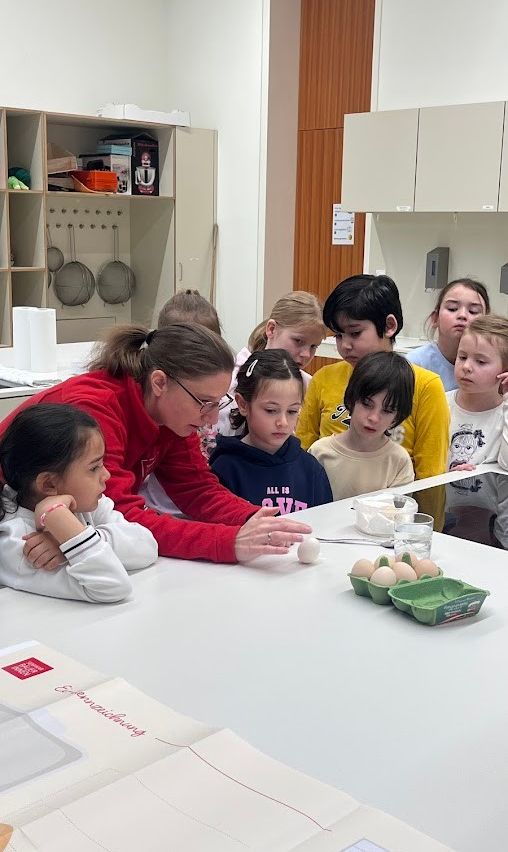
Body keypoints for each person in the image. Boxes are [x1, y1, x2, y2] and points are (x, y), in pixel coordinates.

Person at [0, 323, 311, 566]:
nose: (211, 418)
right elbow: (119, 516)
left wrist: (258, 521)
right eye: (204, 403)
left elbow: (197, 488)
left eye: (218, 403)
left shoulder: (173, 414)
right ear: (160, 382)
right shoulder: (93, 411)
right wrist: (227, 542)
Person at [296, 274, 450, 481]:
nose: (345, 345)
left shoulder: (425, 386)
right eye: (339, 336)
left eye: (355, 333)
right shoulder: (324, 378)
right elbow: (302, 453)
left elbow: (430, 475)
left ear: (389, 326)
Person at [0, 404, 158, 602]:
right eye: (94, 468)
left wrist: (66, 542)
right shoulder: (20, 543)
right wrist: (58, 518)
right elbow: (111, 587)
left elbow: (147, 546)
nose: (106, 475)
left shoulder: (86, 503)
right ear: (49, 484)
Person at [209, 350, 332, 512]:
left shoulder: (311, 468)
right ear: (243, 404)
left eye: (292, 411)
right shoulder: (224, 468)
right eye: (271, 410)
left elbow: (325, 526)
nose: (283, 422)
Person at [308, 352, 415, 501]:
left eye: (387, 410)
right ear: (351, 399)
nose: (374, 418)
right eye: (366, 404)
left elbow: (396, 517)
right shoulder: (320, 453)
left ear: (397, 416)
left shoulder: (399, 461)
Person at [218, 291, 325, 437]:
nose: (306, 354)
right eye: (298, 341)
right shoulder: (229, 379)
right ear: (271, 329)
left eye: (314, 346)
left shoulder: (311, 386)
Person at [446, 314, 508, 471]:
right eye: (462, 356)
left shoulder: (503, 414)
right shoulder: (440, 404)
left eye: (480, 361)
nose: (466, 366)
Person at [407, 278, 489, 390]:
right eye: (452, 308)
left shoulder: (497, 368)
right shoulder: (415, 364)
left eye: (473, 311)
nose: (462, 315)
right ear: (435, 318)